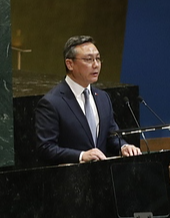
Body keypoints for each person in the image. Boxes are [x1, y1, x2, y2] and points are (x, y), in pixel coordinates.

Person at [35, 35, 142, 165]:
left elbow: (111, 136)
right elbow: (46, 148)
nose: (96, 65)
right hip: (70, 180)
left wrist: (124, 147)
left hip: (103, 178)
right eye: (89, 59)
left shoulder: (103, 97)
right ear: (69, 64)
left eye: (98, 59)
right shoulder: (52, 102)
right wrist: (81, 156)